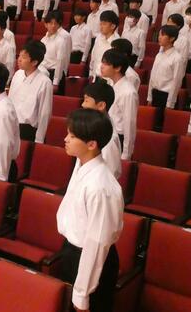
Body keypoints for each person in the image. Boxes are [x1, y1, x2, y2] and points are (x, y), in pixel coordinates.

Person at [56, 108, 124, 312]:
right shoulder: (82, 164)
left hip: (90, 260)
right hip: (72, 252)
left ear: (92, 144)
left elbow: (97, 243)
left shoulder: (101, 186)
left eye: (72, 136)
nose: (66, 139)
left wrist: (82, 294)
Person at [8, 40, 52, 143]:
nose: (19, 59)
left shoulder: (44, 82)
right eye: (19, 55)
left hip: (27, 130)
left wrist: (39, 139)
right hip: (11, 124)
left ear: (34, 62)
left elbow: (44, 113)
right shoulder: (18, 74)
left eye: (23, 57)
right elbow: (10, 100)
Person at [100, 50, 137, 161]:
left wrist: (126, 153)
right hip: (106, 132)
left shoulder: (128, 92)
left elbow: (129, 125)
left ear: (117, 68)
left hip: (118, 137)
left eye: (106, 64)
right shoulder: (110, 83)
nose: (101, 66)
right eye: (102, 62)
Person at [147, 25, 184, 109]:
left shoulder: (177, 58)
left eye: (163, 35)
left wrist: (170, 104)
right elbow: (152, 76)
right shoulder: (159, 55)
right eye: (159, 35)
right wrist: (149, 97)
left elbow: (176, 82)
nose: (159, 37)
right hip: (155, 93)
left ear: (172, 38)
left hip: (166, 96)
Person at [41, 12, 70, 91]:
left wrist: (56, 82)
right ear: (46, 24)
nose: (53, 26)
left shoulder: (61, 41)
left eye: (56, 23)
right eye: (51, 23)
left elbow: (60, 62)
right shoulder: (43, 40)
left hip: (54, 74)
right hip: (44, 73)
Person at [89, 11, 120, 80]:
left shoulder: (117, 42)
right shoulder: (99, 37)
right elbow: (93, 55)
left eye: (104, 24)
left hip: (108, 80)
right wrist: (91, 72)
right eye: (100, 24)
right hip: (96, 76)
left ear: (113, 26)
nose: (101, 27)